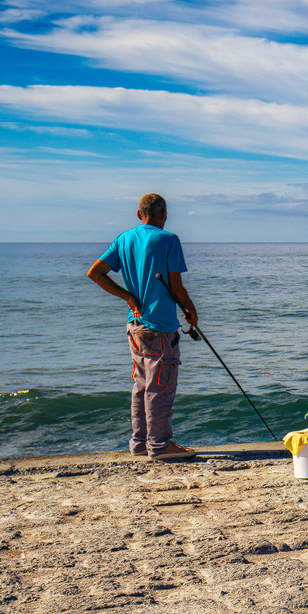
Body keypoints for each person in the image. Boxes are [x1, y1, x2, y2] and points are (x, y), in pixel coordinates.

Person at [86, 193, 199, 460]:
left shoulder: (123, 240)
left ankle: (139, 443)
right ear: (163, 214)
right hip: (160, 327)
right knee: (160, 385)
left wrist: (127, 296)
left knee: (141, 385)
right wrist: (191, 311)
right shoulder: (169, 239)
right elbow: (176, 286)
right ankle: (160, 445)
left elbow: (95, 273)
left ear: (139, 214)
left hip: (134, 326)